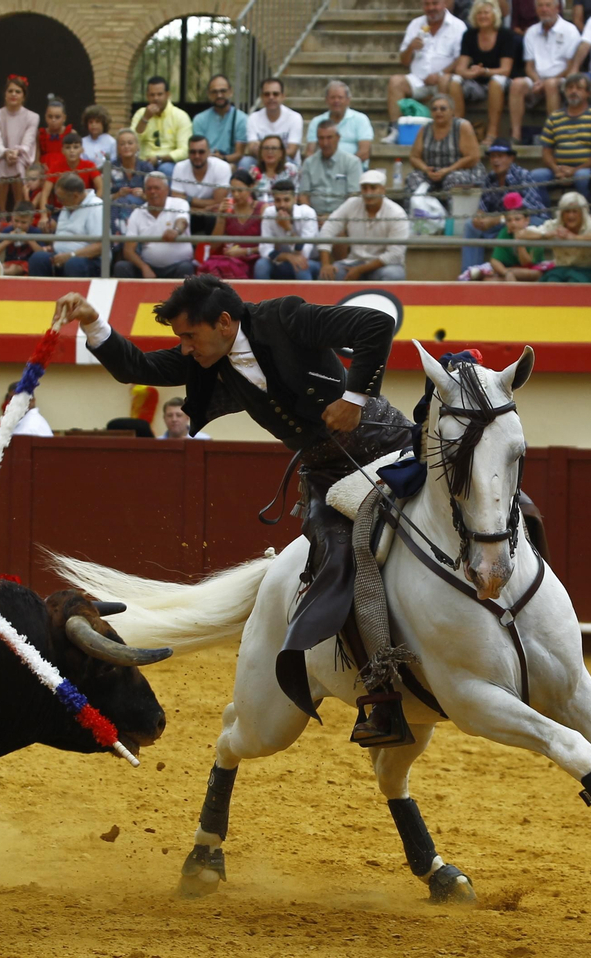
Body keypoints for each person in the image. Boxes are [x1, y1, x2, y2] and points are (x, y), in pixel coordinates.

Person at [53, 275, 420, 743]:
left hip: (388, 445)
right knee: (332, 568)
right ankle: (381, 694)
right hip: (327, 478)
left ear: (225, 322)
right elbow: (137, 366)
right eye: (180, 339)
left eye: (190, 336)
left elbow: (375, 324)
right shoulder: (210, 359)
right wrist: (93, 322)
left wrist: (354, 397)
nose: (185, 349)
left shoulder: (286, 318)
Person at [463, 136, 550, 271]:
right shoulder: (489, 179)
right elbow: (483, 207)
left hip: (530, 220)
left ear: (511, 158)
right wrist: (479, 217)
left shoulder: (523, 175)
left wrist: (498, 220)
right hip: (503, 223)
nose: (495, 160)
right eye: (492, 157)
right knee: (470, 225)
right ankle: (469, 273)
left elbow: (530, 208)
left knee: (523, 222)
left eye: (500, 156)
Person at [389, 0, 470, 131]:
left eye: (435, 3)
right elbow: (404, 61)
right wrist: (411, 48)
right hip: (418, 80)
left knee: (446, 80)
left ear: (444, 4)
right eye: (427, 4)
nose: (431, 8)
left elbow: (460, 59)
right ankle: (395, 130)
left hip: (444, 79)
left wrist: (440, 74)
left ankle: (445, 130)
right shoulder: (415, 24)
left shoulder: (458, 26)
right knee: (395, 82)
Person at [317, 170, 410, 280]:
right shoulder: (352, 204)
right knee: (327, 275)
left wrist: (360, 270)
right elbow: (328, 229)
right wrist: (325, 264)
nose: (368, 193)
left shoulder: (397, 213)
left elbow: (395, 254)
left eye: (373, 188)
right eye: (364, 188)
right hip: (353, 262)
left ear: (383, 190)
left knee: (393, 275)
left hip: (384, 266)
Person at [452, 0, 521, 143]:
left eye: (486, 13)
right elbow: (460, 68)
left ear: (494, 15)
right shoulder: (469, 35)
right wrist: (470, 73)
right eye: (479, 13)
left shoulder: (505, 35)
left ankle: (492, 132)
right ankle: (458, 130)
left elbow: (506, 70)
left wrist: (485, 71)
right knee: (454, 81)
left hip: (501, 81)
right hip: (476, 81)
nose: (482, 16)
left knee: (496, 81)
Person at [532, 72, 591, 196]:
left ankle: (589, 211)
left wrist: (575, 170)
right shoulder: (554, 117)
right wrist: (556, 169)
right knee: (535, 176)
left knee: (582, 176)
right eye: (569, 88)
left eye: (579, 88)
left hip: (586, 170)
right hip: (558, 171)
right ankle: (542, 214)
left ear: (588, 93)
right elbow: (546, 151)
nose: (573, 91)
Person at [512, 0, 583, 136]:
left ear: (557, 8)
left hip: (562, 79)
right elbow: (529, 66)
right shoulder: (531, 32)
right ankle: (516, 135)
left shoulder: (570, 30)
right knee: (517, 84)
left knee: (550, 84)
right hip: (537, 79)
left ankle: (554, 133)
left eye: (548, 5)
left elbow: (570, 66)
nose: (544, 9)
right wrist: (537, 80)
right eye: (540, 6)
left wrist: (546, 82)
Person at [116, 172, 196, 279]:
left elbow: (182, 221)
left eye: (157, 188)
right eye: (149, 188)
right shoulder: (137, 213)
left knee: (186, 268)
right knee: (121, 267)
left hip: (178, 266)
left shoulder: (180, 203)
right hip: (149, 266)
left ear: (167, 190)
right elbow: (128, 251)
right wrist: (144, 267)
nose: (153, 191)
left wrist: (176, 231)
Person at [28, 173, 106, 277]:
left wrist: (71, 255)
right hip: (61, 256)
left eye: (61, 198)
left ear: (75, 196)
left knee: (73, 264)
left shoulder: (97, 208)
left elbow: (101, 246)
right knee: (38, 258)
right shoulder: (68, 205)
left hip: (87, 260)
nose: (59, 202)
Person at [517, 189, 591, 281]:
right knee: (551, 282)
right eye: (567, 211)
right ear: (562, 213)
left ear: (582, 213)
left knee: (573, 283)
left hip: (586, 269)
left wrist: (574, 238)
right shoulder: (555, 225)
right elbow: (522, 233)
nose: (570, 216)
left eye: (575, 211)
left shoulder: (589, 224)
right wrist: (548, 235)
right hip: (561, 268)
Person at [408, 93, 486, 193]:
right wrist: (426, 170)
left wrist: (448, 170)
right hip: (433, 174)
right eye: (434, 109)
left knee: (453, 179)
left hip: (461, 171)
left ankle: (453, 209)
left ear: (452, 111)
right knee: (413, 178)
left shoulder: (462, 126)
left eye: (443, 109)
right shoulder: (425, 129)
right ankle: (418, 208)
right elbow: (414, 157)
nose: (438, 112)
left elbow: (473, 157)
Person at [463, 193, 549, 280]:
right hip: (509, 271)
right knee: (489, 280)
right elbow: (494, 261)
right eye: (509, 220)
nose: (513, 223)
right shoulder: (504, 233)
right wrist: (506, 272)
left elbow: (526, 264)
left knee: (533, 273)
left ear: (527, 220)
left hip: (530, 270)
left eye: (517, 219)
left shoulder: (534, 233)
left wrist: (519, 242)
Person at [0, 74, 39, 215]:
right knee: (3, 164)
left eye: (18, 91)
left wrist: (16, 152)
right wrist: (6, 152)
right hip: (2, 155)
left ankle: (18, 211)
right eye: (10, 91)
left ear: (23, 96)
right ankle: (2, 213)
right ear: (5, 94)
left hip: (21, 156)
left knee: (16, 164)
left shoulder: (33, 117)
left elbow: (28, 142)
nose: (13, 94)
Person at [201, 171, 264, 279]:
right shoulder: (229, 210)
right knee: (210, 266)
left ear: (251, 187)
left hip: (254, 259)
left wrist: (245, 251)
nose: (236, 195)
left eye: (240, 190)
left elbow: (269, 246)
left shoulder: (262, 209)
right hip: (231, 259)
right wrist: (221, 217)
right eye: (233, 191)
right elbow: (214, 245)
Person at [297, 120, 363, 221]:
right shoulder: (309, 163)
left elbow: (354, 197)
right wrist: (312, 217)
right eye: (321, 138)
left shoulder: (352, 162)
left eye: (329, 138)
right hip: (314, 218)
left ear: (338, 138)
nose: (325, 143)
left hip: (343, 218)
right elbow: (303, 195)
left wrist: (334, 218)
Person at [257, 179, 318, 280]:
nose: (282, 205)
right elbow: (265, 249)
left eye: (286, 200)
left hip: (311, 262)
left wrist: (288, 228)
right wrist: (287, 257)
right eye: (278, 200)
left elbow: (303, 254)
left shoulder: (308, 213)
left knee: (300, 265)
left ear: (295, 199)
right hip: (282, 261)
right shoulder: (269, 213)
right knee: (261, 265)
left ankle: (306, 296)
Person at [171, 134, 233, 233]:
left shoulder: (222, 167)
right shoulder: (179, 167)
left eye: (201, 152)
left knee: (213, 216)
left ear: (209, 152)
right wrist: (203, 210)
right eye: (193, 152)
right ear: (188, 153)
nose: (197, 156)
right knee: (177, 215)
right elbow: (177, 202)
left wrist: (188, 200)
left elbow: (219, 202)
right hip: (190, 214)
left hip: (215, 214)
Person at [131, 76, 192, 173]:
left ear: (167, 95)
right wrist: (145, 118)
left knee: (165, 169)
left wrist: (159, 158)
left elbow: (185, 150)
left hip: (169, 163)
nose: (156, 98)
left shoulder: (180, 116)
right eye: (152, 95)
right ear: (147, 96)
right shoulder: (141, 114)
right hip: (143, 162)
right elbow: (132, 141)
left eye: (160, 94)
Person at [303, 80, 372, 162]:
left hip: (353, 169)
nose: (336, 101)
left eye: (340, 97)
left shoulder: (361, 119)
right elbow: (310, 152)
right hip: (323, 168)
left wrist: (345, 166)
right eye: (332, 97)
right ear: (326, 100)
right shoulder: (316, 121)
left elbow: (365, 152)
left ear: (348, 100)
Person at [193, 75, 249, 165]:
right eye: (214, 92)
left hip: (231, 163)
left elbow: (239, 154)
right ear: (209, 95)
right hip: (205, 162)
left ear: (231, 92)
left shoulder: (241, 119)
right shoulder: (199, 119)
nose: (219, 95)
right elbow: (198, 150)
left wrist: (222, 158)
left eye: (223, 91)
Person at [246, 78, 304, 162]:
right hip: (261, 162)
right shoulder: (253, 118)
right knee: (245, 162)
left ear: (283, 96)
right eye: (267, 94)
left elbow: (292, 151)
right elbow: (251, 148)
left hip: (285, 161)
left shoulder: (294, 118)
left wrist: (264, 150)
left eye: (275, 94)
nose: (271, 97)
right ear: (261, 97)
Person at [0, 201, 44, 276]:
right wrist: (8, 240)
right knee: (4, 266)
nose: (19, 225)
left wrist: (29, 240)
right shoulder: (8, 230)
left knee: (15, 268)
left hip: (28, 265)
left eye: (23, 222)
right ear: (12, 218)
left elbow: (42, 253)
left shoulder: (35, 232)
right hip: (10, 263)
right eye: (16, 221)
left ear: (31, 221)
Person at [250, 134, 300, 203]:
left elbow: (295, 196)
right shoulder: (253, 172)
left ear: (281, 153)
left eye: (274, 148)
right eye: (266, 148)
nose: (270, 152)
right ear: (260, 152)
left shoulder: (290, 169)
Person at [37, 95, 73, 176]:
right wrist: (40, 167)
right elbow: (36, 158)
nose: (53, 120)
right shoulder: (41, 134)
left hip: (65, 170)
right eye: (50, 117)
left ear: (64, 118)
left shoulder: (70, 133)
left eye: (57, 117)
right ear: (45, 117)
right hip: (45, 171)